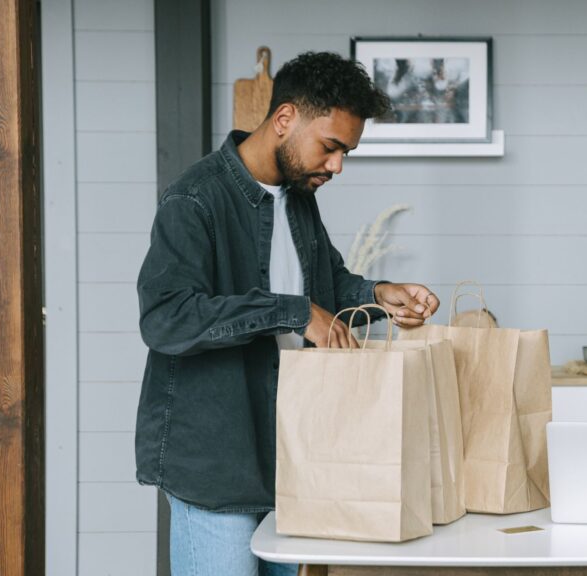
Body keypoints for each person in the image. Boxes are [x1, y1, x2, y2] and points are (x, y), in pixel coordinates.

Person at [135, 51, 439, 576]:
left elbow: (325, 288)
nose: (338, 165)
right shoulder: (194, 199)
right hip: (216, 464)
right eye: (331, 147)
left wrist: (379, 294)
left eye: (347, 152)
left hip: (292, 456)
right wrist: (292, 312)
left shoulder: (297, 198)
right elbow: (167, 317)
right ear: (284, 119)